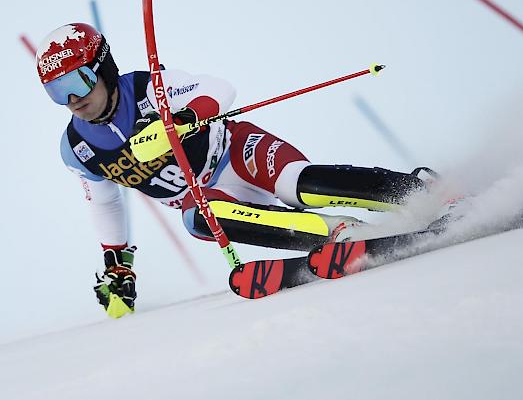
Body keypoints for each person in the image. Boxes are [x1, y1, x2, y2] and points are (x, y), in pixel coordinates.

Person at [37, 23, 445, 317]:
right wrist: (117, 262)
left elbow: (217, 87)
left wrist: (179, 121)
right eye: (57, 91)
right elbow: (104, 200)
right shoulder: (77, 148)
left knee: (300, 185)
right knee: (198, 219)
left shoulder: (147, 88)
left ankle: (419, 192)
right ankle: (341, 233)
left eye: (78, 80)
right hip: (209, 196)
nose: (72, 99)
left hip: (237, 153)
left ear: (103, 68)